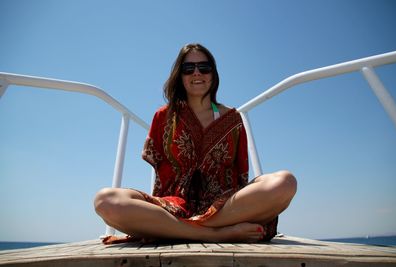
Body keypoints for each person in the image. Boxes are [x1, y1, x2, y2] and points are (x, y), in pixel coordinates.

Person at [94, 43, 297, 243]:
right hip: (175, 206)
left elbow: (241, 175)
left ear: (213, 74)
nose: (197, 73)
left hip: (225, 207)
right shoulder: (164, 116)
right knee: (105, 200)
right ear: (180, 75)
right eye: (188, 68)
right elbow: (160, 172)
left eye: (204, 67)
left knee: (285, 182)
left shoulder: (233, 119)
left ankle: (176, 229)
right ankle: (214, 234)